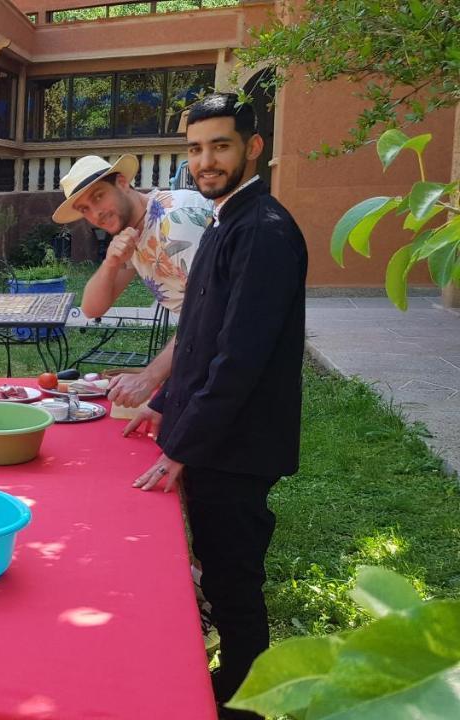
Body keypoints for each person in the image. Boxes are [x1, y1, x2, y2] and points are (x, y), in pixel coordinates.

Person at [124, 93, 306, 720]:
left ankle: (248, 702)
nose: (206, 160)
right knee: (221, 573)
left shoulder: (267, 232)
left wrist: (181, 445)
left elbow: (238, 361)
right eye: (196, 148)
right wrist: (164, 401)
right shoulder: (225, 220)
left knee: (233, 580)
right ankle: (231, 688)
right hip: (214, 433)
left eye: (220, 145)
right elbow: (200, 336)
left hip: (239, 445)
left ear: (253, 147)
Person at [52, 154, 213, 407]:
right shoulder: (137, 226)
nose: (96, 214)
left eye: (98, 197)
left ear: (123, 183)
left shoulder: (175, 222)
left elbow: (209, 314)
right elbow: (92, 308)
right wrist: (111, 263)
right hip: (202, 349)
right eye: (85, 209)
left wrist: (149, 377)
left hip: (231, 354)